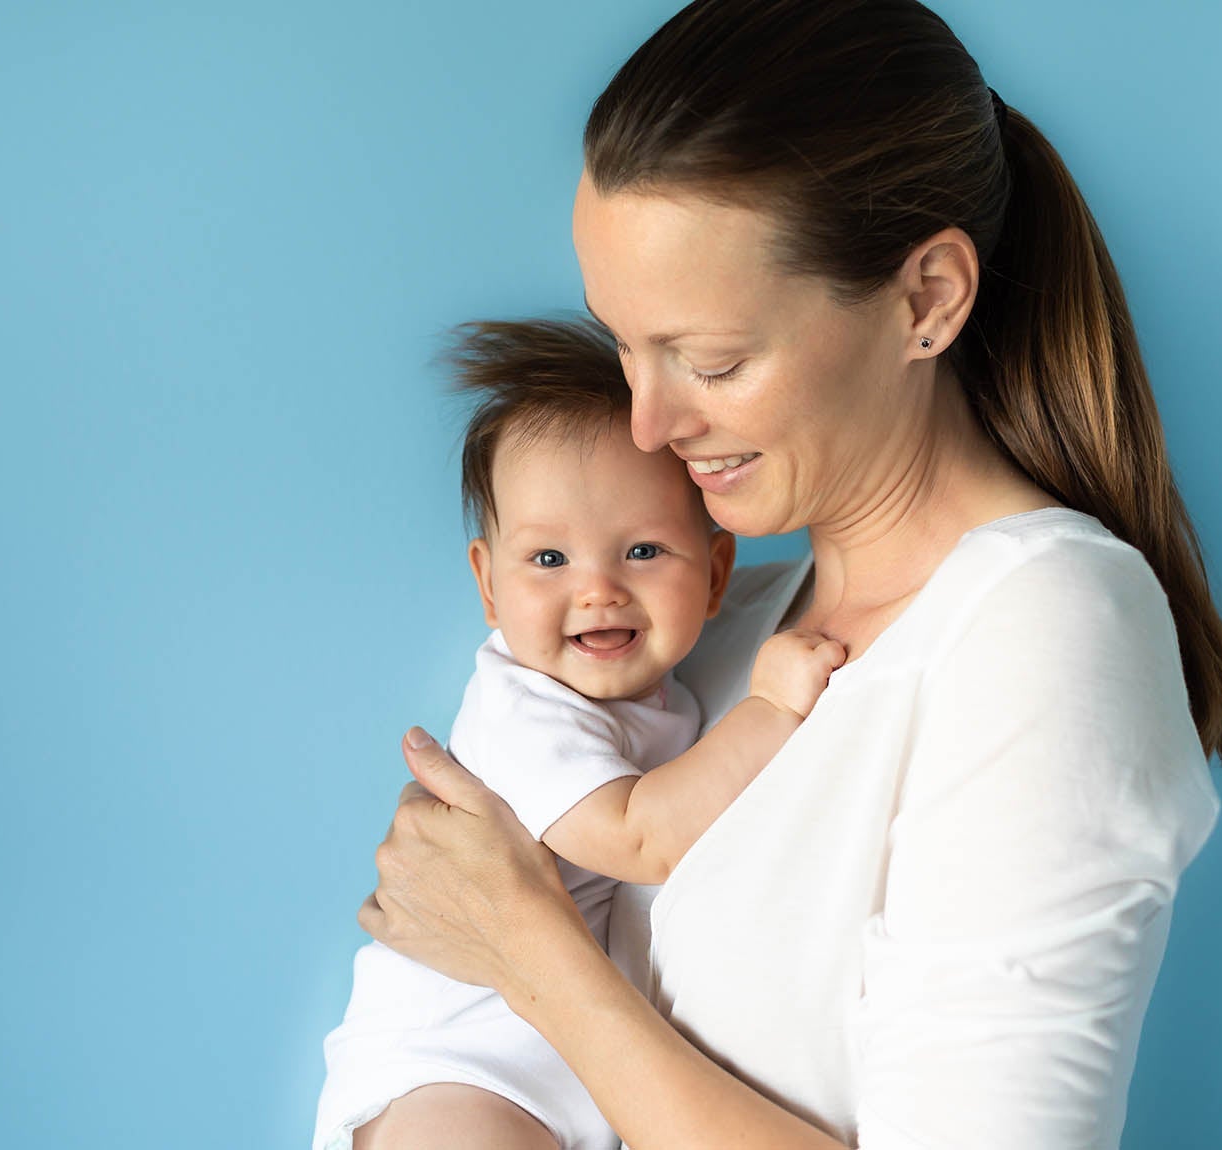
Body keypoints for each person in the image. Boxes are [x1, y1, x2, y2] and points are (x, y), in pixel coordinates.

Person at [355, 1, 1222, 1147]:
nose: (646, 425)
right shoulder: (715, 628)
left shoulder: (1042, 627)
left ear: (927, 298)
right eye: (626, 347)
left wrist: (525, 950)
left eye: (712, 361)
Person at [317, 319, 847, 1150]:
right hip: (456, 1065)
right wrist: (772, 712)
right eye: (549, 561)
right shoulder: (522, 709)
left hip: (573, 1071)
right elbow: (641, 837)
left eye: (641, 550)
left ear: (715, 576)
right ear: (489, 586)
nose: (597, 592)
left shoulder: (666, 690)